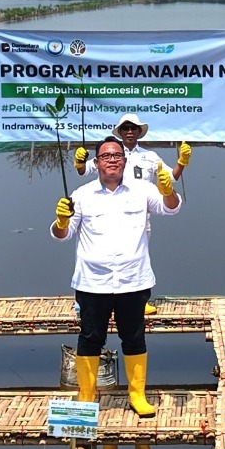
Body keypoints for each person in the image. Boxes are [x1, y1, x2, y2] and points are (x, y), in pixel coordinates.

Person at [52, 134, 182, 417]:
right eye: (106, 156)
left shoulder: (142, 189)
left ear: (125, 160)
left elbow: (170, 208)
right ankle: (86, 396)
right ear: (96, 163)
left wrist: (168, 190)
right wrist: (61, 220)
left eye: (117, 155)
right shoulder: (82, 195)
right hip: (92, 282)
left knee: (134, 337)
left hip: (133, 280)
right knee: (90, 337)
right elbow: (63, 235)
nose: (112, 160)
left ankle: (137, 395)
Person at [74, 114, 190, 316]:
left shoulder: (150, 156)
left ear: (139, 132)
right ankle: (86, 298)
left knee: (138, 255)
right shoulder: (108, 153)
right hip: (107, 209)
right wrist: (79, 161)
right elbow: (84, 171)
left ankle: (140, 299)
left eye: (133, 128)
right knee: (96, 249)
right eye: (125, 128)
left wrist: (182, 161)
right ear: (119, 132)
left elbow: (173, 176)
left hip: (138, 214)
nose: (129, 132)